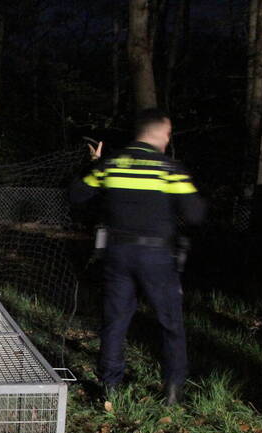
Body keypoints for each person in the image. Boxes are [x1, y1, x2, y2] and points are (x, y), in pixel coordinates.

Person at [70, 108, 206, 405]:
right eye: (168, 133)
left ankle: (110, 387)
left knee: (116, 321)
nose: (168, 139)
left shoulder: (112, 164)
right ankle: (172, 390)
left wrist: (93, 164)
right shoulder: (168, 167)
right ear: (157, 132)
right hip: (156, 255)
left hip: (117, 253)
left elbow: (78, 194)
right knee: (170, 322)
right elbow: (195, 213)